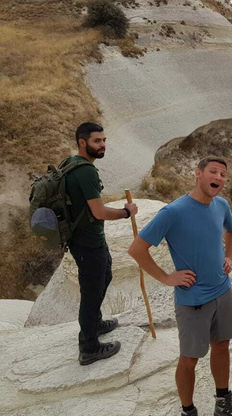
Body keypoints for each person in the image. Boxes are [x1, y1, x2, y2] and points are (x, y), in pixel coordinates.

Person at [128, 157, 232, 416]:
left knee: (222, 345)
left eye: (223, 174)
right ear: (198, 174)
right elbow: (137, 249)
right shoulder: (173, 212)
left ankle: (223, 403)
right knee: (189, 360)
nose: (218, 177)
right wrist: (166, 278)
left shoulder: (221, 205)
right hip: (193, 300)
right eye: (213, 171)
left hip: (222, 291)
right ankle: (188, 411)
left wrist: (229, 257)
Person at [65, 122, 138, 366]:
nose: (103, 145)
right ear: (82, 143)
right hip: (86, 242)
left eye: (104, 140)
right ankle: (89, 347)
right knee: (92, 290)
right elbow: (98, 212)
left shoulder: (71, 163)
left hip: (87, 239)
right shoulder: (85, 171)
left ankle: (94, 323)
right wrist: (126, 212)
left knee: (104, 276)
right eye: (97, 141)